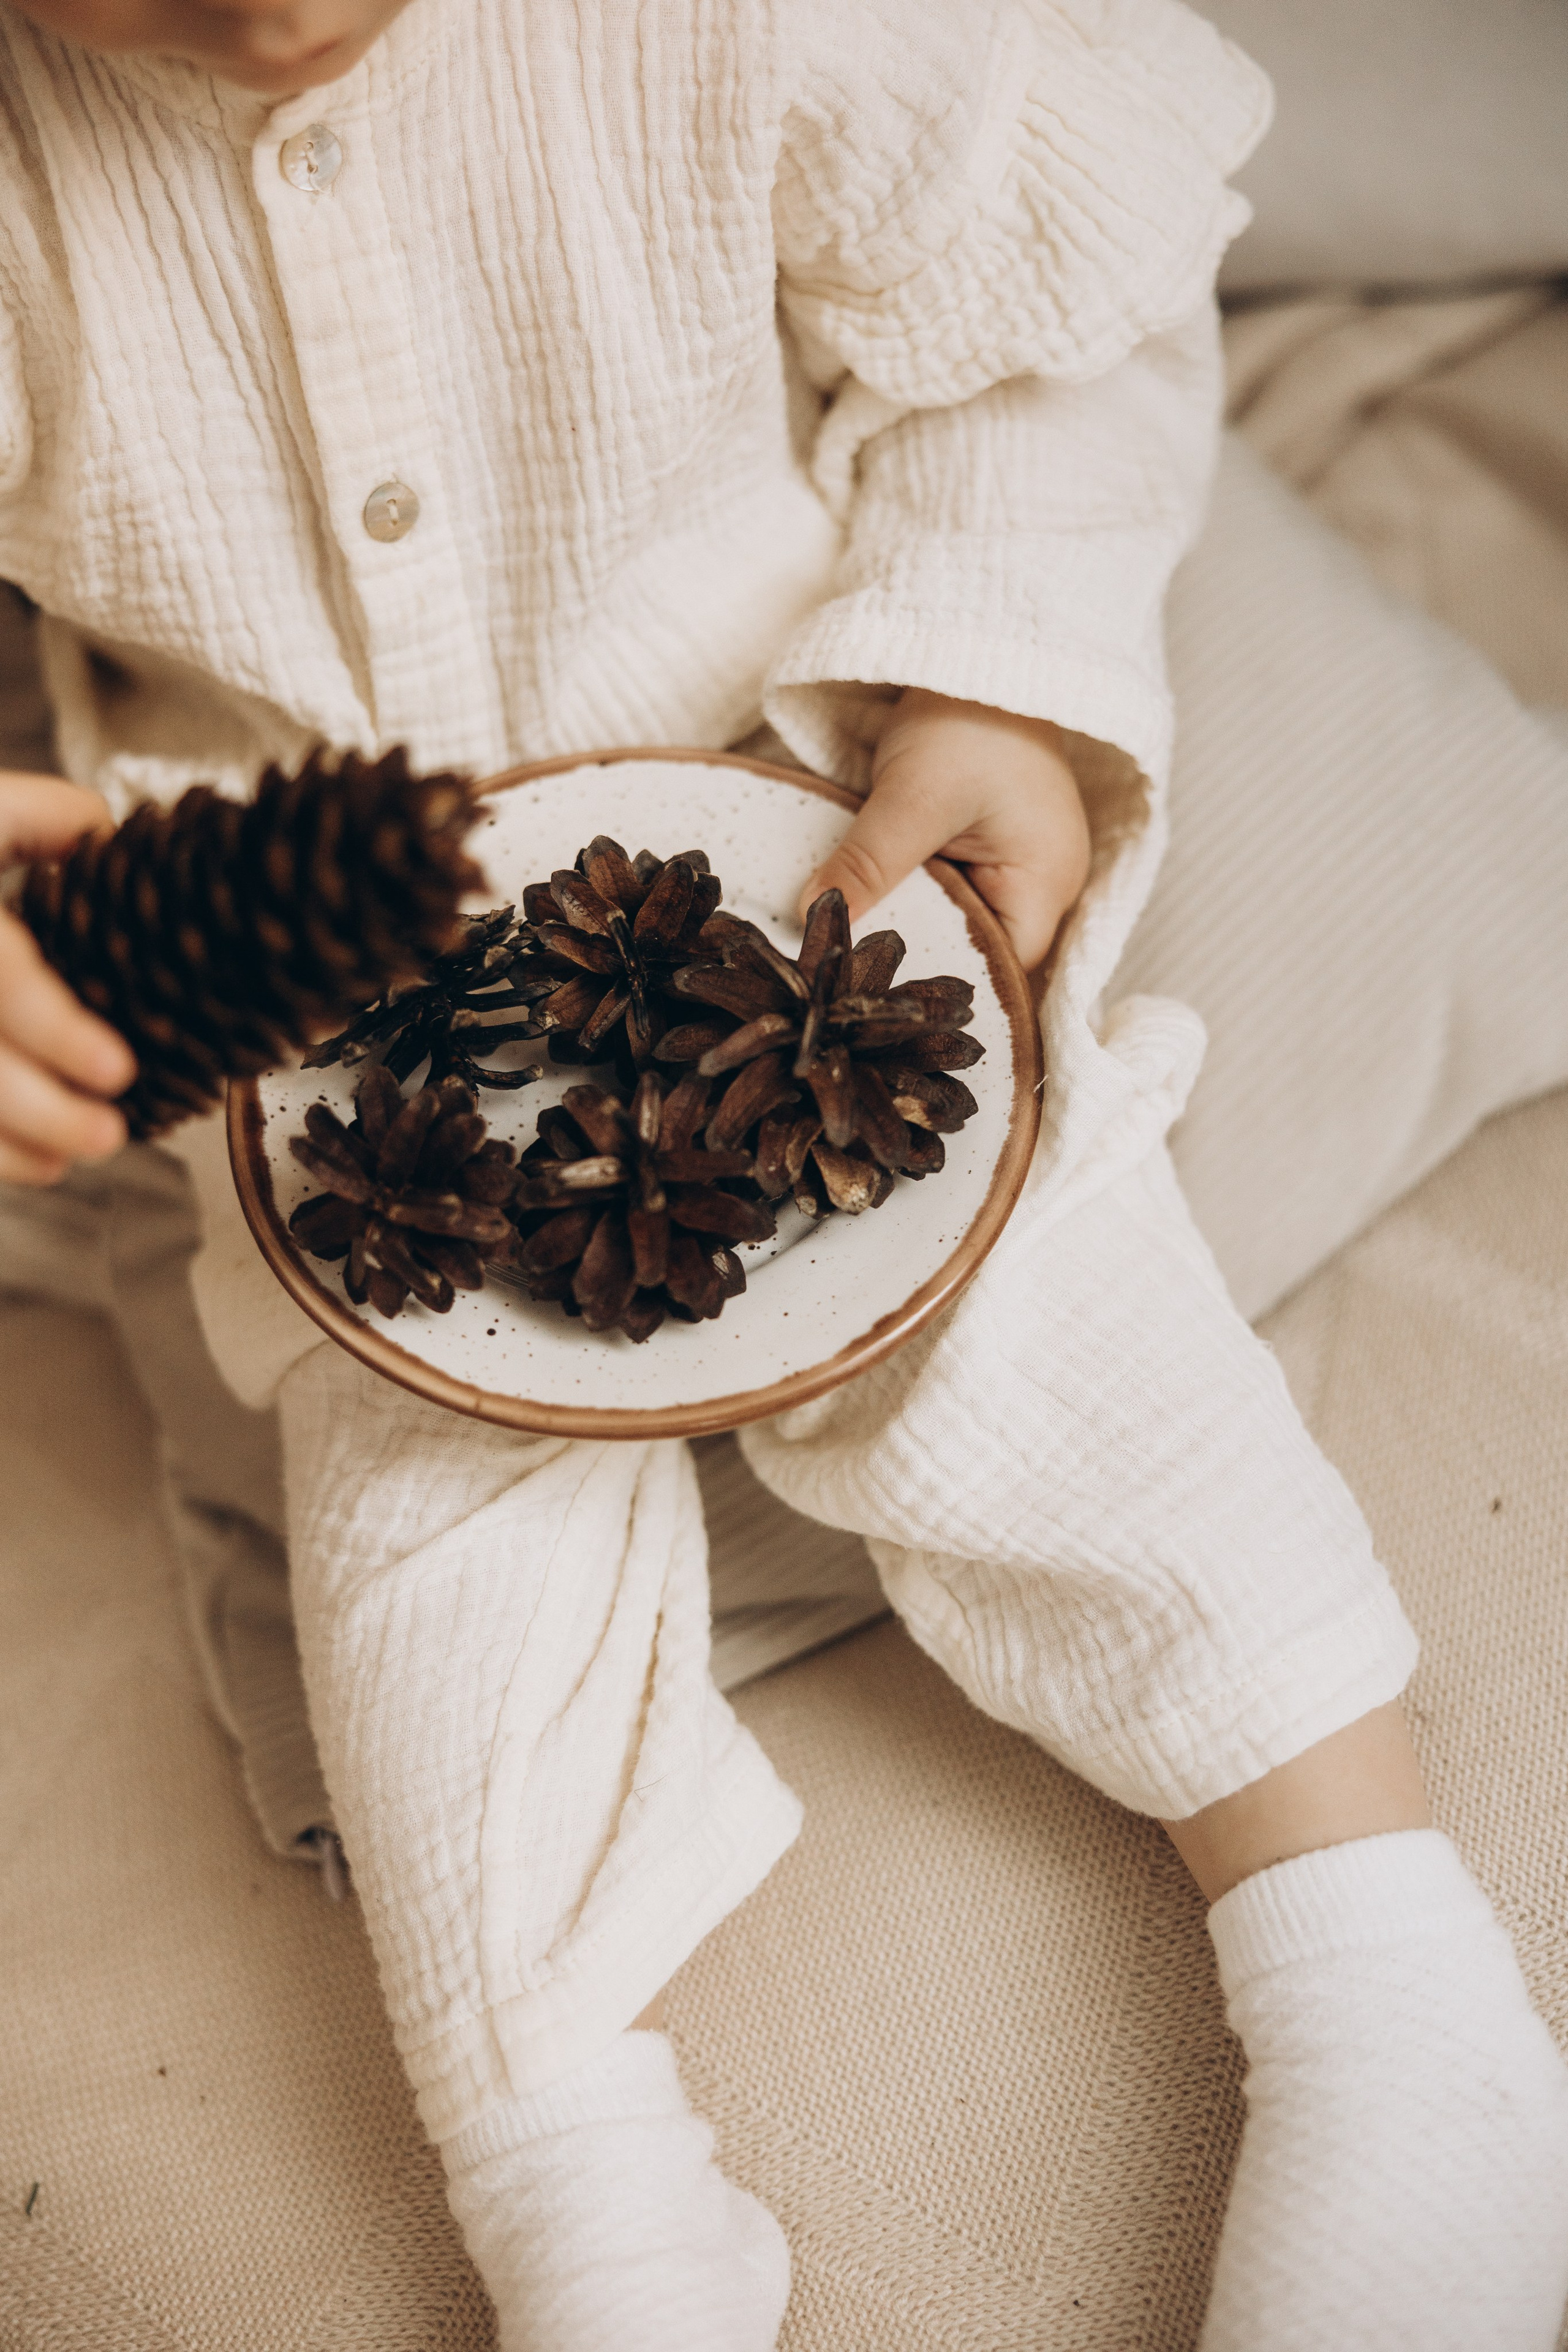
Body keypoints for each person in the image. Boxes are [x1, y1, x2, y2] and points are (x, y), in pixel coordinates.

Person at [2, 4, 1567, 2346]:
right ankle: (588, 2199)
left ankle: (1389, 1985)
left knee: (1059, 1309)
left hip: (821, 885)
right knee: (418, 1575)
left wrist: (999, 673)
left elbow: (1049, 334)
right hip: (355, 1038)